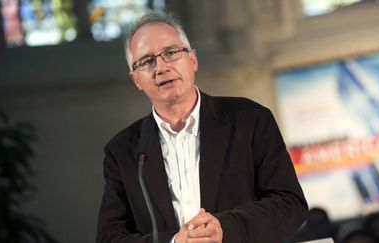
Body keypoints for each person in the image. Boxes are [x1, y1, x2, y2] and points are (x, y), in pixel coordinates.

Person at [96, 12, 308, 243]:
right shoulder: (122, 151)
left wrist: (224, 228)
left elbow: (290, 203)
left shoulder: (249, 119)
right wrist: (175, 241)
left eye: (171, 53)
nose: (161, 67)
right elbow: (110, 238)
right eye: (147, 61)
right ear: (136, 79)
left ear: (193, 60)